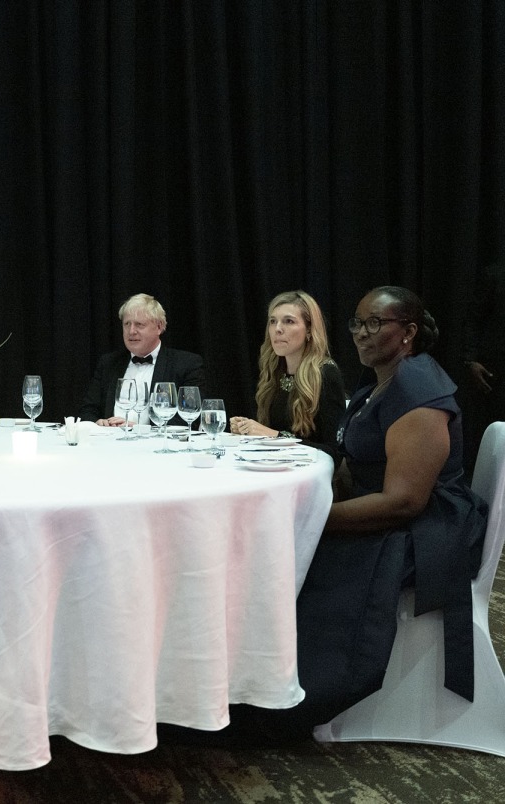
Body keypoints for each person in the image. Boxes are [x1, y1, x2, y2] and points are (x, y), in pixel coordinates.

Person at [171, 286, 488, 747]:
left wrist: (310, 519)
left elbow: (404, 501)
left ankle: (288, 703)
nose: (362, 333)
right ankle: (244, 680)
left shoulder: (418, 388)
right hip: (392, 515)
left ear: (409, 333)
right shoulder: (382, 380)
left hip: (426, 532)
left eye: (375, 323)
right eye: (357, 323)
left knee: (301, 558)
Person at [229, 291, 346, 463]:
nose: (278, 329)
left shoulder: (325, 373)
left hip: (308, 478)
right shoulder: (274, 371)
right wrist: (247, 429)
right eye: (273, 321)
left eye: (289, 321)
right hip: (273, 468)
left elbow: (334, 453)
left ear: (309, 330)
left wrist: (273, 436)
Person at [78, 293, 206, 425]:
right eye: (127, 324)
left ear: (159, 327)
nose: (131, 331)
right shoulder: (109, 363)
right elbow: (88, 410)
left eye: (139, 324)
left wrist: (141, 429)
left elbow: (191, 416)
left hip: (158, 444)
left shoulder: (186, 364)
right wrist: (99, 422)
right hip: (111, 441)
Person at [460, 262, 505, 477]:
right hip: (493, 371)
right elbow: (472, 318)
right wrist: (471, 360)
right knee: (491, 432)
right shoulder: (495, 274)